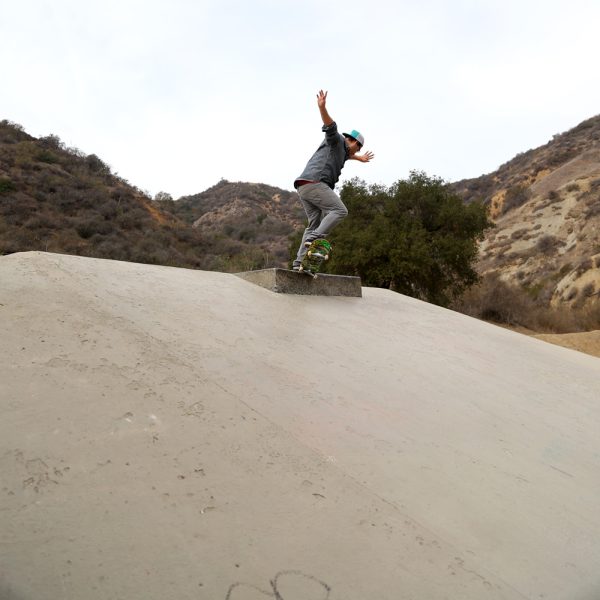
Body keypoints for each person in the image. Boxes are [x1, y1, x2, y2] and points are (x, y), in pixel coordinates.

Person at [292, 89, 374, 271]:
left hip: (303, 186)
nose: (358, 153)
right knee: (340, 210)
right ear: (354, 143)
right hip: (316, 183)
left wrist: (358, 159)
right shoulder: (337, 140)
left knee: (313, 223)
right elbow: (331, 126)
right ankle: (314, 239)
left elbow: (346, 155)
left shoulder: (344, 152)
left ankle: (299, 263)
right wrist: (322, 108)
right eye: (358, 150)